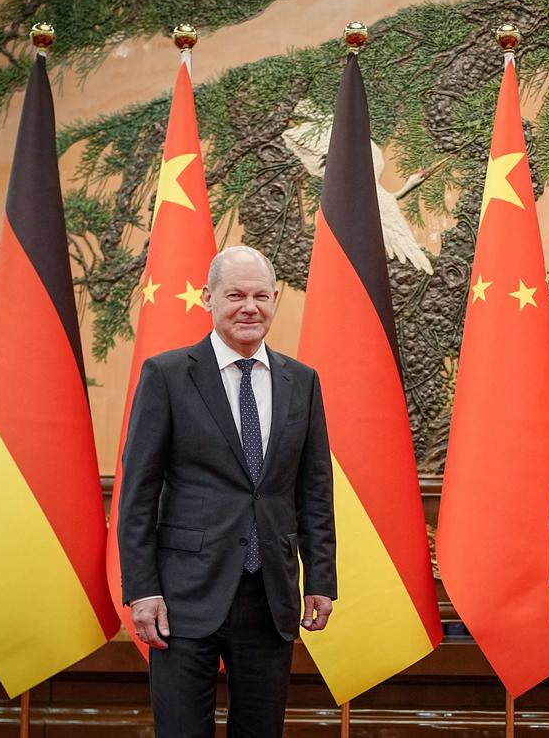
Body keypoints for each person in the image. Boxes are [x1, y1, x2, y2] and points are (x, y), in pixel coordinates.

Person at [118, 245, 336, 737]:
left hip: (271, 595)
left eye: (261, 296)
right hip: (183, 597)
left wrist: (320, 577)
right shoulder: (168, 374)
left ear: (276, 299)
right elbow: (137, 493)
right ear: (207, 297)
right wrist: (143, 590)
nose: (249, 307)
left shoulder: (302, 381)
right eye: (235, 294)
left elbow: (315, 490)